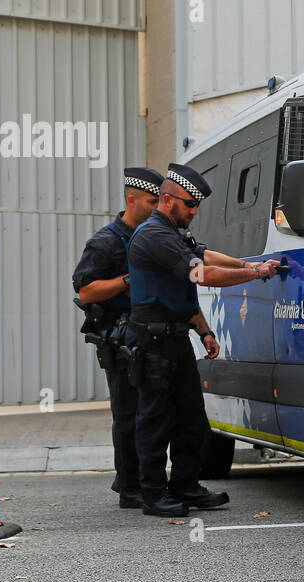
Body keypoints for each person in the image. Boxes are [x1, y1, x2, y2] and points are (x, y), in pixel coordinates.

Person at [125, 164, 284, 517]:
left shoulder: (175, 233)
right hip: (153, 343)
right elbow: (202, 274)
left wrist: (205, 330)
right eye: (189, 204)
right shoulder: (155, 236)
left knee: (192, 418)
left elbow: (205, 259)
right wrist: (254, 273)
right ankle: (153, 494)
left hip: (176, 339)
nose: (194, 212)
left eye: (196, 205)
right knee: (155, 421)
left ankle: (185, 485)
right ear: (167, 200)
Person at [71, 167, 164, 509]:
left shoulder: (153, 236)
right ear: (132, 199)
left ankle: (146, 480)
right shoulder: (106, 241)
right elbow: (87, 289)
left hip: (150, 338)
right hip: (122, 341)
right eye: (152, 201)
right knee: (129, 415)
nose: (158, 208)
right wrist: (128, 279)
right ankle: (130, 486)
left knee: (152, 415)